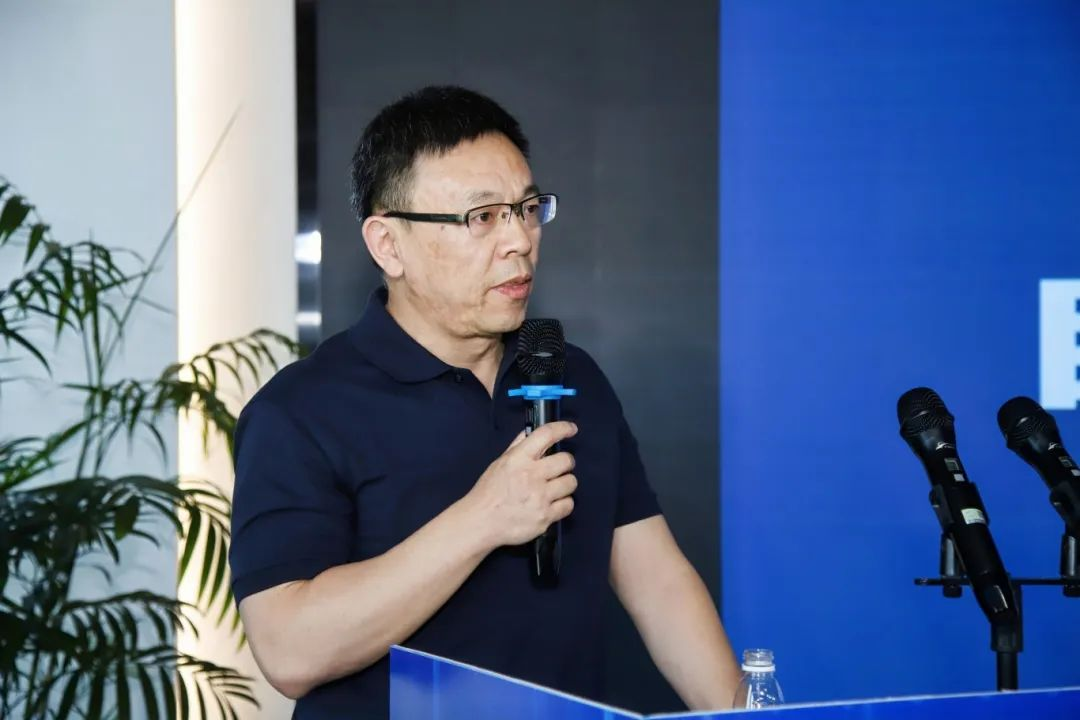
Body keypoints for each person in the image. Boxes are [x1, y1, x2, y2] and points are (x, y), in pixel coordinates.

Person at [229, 85, 740, 719]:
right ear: (388, 244)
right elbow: (289, 651)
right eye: (482, 217)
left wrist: (743, 713)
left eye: (527, 208)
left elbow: (658, 584)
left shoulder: (571, 376)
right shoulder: (302, 410)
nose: (519, 239)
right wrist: (484, 517)